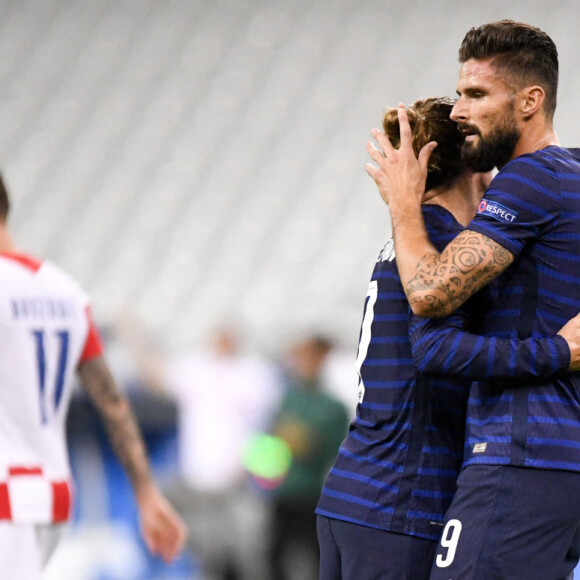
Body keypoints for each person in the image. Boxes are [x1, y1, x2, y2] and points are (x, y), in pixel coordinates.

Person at [317, 96, 580, 580]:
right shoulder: (442, 243)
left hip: (356, 492)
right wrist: (557, 350)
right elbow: (438, 347)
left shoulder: (412, 235)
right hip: (404, 501)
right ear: (471, 163)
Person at [0, 173, 187, 578]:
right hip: (52, 495)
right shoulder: (65, 292)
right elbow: (112, 401)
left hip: (6, 493)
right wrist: (146, 491)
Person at [163, 325, 281, 580]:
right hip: (200, 485)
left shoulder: (253, 373)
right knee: (207, 552)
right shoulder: (198, 371)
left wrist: (255, 467)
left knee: (249, 552)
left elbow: (268, 426)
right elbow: (159, 378)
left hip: (243, 481)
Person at [267, 334, 349, 580]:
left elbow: (336, 450)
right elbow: (273, 441)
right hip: (285, 490)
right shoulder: (288, 399)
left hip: (314, 492)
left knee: (316, 556)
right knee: (275, 555)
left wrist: (309, 443)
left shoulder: (332, 406)